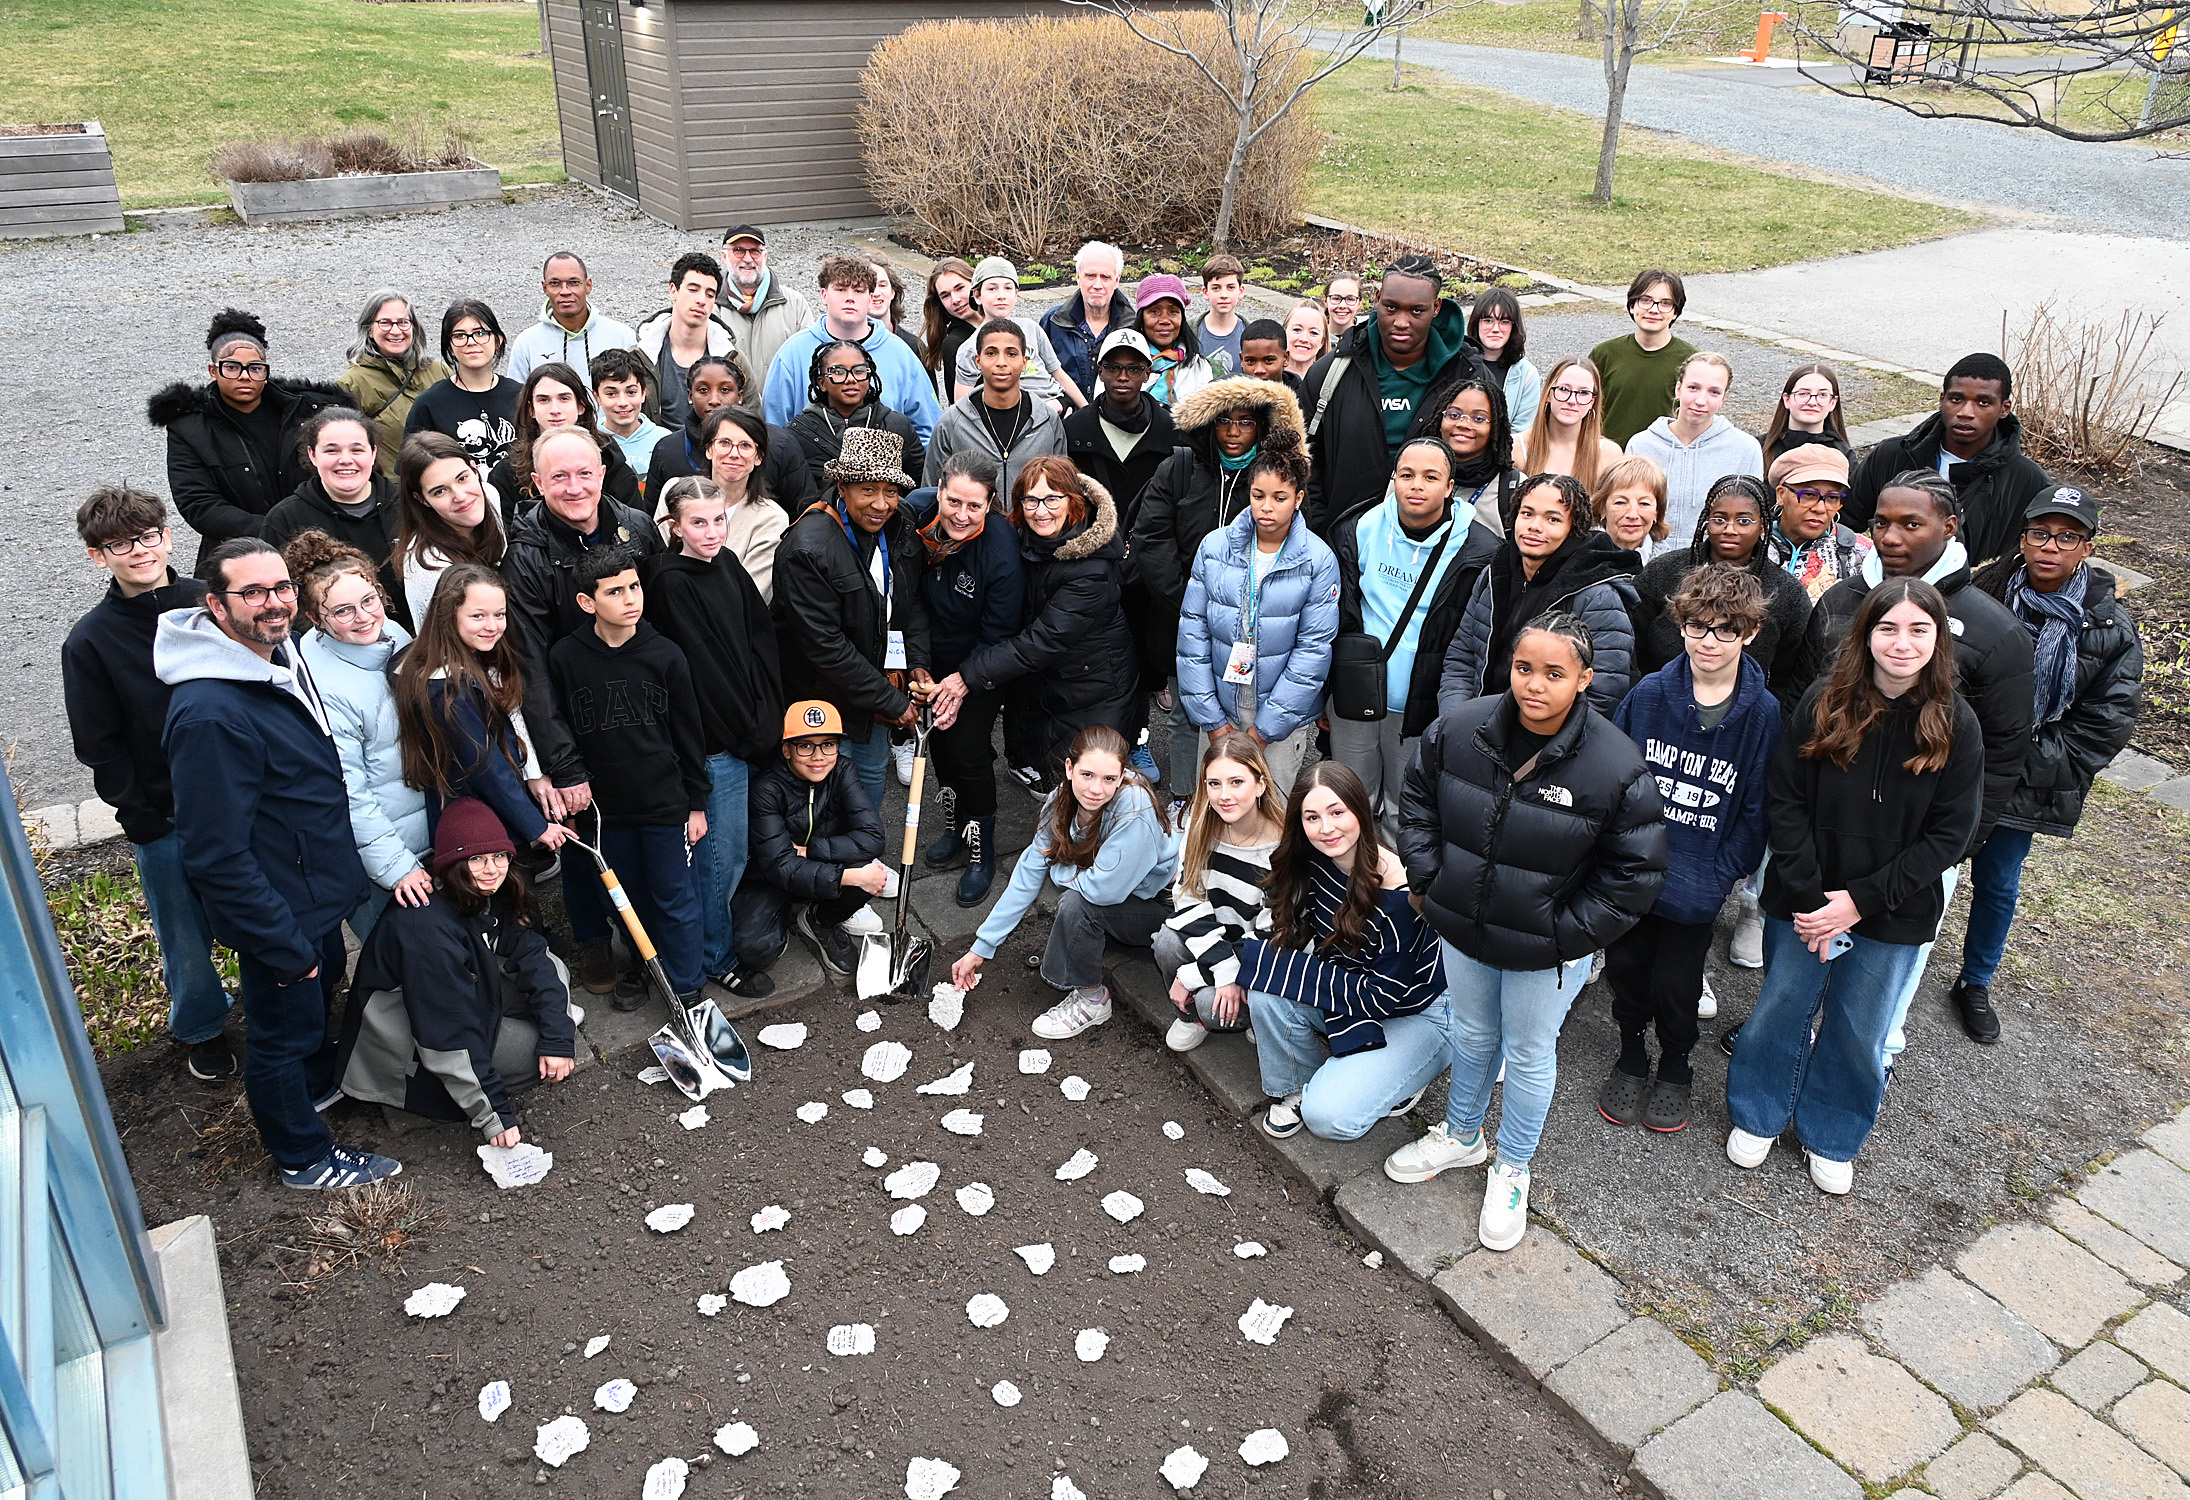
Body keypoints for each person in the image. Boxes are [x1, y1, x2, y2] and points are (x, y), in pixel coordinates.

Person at [1388, 612, 1665, 1248]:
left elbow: (1636, 873)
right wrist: (1430, 881)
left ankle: (1513, 1165)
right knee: (1472, 1029)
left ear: (1586, 679)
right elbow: (1419, 798)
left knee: (1530, 1051)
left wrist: (1569, 935)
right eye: (1523, 668)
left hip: (1546, 950)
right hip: (1461, 925)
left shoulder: (1614, 766)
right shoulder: (1459, 731)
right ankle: (1461, 1136)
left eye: (1554, 673)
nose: (1534, 685)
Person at [1726, 579, 1983, 1194]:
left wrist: (1859, 903)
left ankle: (1833, 1132)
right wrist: (1816, 898)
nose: (1902, 643)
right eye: (1887, 628)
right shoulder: (1823, 701)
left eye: (1919, 630)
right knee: (1780, 1008)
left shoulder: (1956, 724)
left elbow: (1950, 836)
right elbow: (1784, 800)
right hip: (1806, 900)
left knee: (1859, 1026)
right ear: (1865, 634)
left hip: (1891, 909)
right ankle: (1758, 1112)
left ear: (1938, 640)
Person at [156, 537, 398, 1189]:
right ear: (215, 604)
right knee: (279, 1034)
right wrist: (281, 942)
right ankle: (303, 1156)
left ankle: (317, 1094)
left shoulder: (274, 654)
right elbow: (215, 852)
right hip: (281, 910)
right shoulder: (211, 712)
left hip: (314, 890)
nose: (273, 603)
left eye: (282, 588)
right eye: (253, 593)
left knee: (312, 1013)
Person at [1778, 469, 2033, 1063]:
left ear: (1949, 527)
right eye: (1882, 524)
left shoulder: (1995, 632)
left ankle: (1873, 1046)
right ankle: (1792, 1031)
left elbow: (2002, 751)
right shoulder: (1843, 602)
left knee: (1881, 975)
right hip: (1825, 825)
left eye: (1911, 525)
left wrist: (1957, 845)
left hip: (1917, 846)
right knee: (1807, 943)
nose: (1892, 538)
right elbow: (1800, 703)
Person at [1957, 486, 2143, 1041]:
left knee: (1998, 881)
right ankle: (1898, 959)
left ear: (2086, 548)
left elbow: (2104, 723)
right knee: (1928, 869)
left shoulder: (2107, 627)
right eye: (2041, 533)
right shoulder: (1982, 592)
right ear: (2023, 537)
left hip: (2024, 776)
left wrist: (2017, 756)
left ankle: (1975, 981)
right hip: (1958, 759)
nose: (2050, 548)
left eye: (2067, 537)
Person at [63, 487, 236, 1080]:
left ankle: (275, 999)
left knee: (260, 906)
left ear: (166, 536)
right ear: (97, 557)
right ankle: (202, 1026)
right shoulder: (90, 642)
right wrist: (141, 815)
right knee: (182, 931)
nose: (137, 552)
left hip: (238, 794)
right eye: (118, 544)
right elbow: (99, 742)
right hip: (164, 813)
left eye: (146, 537)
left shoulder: (209, 603)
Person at [1604, 565, 1780, 1132]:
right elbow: (1616, 778)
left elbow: (1757, 808)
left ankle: (1677, 1062)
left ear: (1750, 632)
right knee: (1627, 971)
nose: (1710, 641)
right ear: (1680, 625)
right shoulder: (1651, 693)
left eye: (1727, 629)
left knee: (1677, 985)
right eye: (1699, 626)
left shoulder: (1762, 713)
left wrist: (1721, 873)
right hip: (1634, 872)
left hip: (1698, 882)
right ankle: (1631, 1053)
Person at [336, 798, 577, 1142]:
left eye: (498, 856)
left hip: (459, 1000)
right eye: (476, 859)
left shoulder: (486, 891)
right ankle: (458, 1089)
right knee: (534, 1056)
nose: (491, 869)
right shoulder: (427, 929)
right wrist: (494, 1117)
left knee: (553, 998)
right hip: (409, 1051)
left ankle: (542, 1031)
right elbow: (448, 1034)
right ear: (450, 864)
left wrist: (559, 1035)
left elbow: (535, 959)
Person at [1236, 760, 1448, 1140]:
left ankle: (1408, 1072)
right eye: (1312, 817)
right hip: (1352, 987)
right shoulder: (1316, 860)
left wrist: (1267, 965)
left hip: (1414, 1010)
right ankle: (1298, 1085)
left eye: (1337, 812)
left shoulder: (1401, 894)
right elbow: (1291, 932)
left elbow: (1383, 997)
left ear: (1361, 812)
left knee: (1330, 1119)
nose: (1327, 828)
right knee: (1265, 987)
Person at [548, 546, 710, 1012]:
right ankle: (644, 967)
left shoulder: (665, 655)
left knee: (675, 897)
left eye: (634, 587)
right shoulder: (565, 658)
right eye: (614, 592)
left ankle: (685, 983)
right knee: (626, 899)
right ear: (587, 602)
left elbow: (689, 734)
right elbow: (560, 732)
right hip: (605, 812)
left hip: (665, 805)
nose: (629, 599)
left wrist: (696, 804)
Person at [643, 478, 784, 995]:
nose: (711, 531)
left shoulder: (726, 564)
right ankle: (713, 958)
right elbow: (701, 674)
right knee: (717, 862)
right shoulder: (670, 582)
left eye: (719, 519)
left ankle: (715, 946)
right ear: (674, 526)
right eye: (698, 522)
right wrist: (747, 731)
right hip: (713, 747)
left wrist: (765, 716)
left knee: (735, 855)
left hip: (748, 734)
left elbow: (757, 641)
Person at [1134, 377, 1304, 791]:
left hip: (1253, 626)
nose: (1233, 431)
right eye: (1224, 420)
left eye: (1245, 422)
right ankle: (1185, 795)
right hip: (1184, 615)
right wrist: (1189, 600)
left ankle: (1243, 798)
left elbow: (1292, 544)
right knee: (1186, 711)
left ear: (1260, 428)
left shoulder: (1272, 478)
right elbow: (1150, 537)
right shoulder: (1180, 466)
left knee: (1243, 710)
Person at [952, 725, 1176, 1040]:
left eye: (1109, 779)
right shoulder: (1062, 798)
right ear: (1070, 769)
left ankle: (1093, 1000)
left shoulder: (1135, 808)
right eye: (1087, 775)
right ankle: (1098, 945)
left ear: (1123, 775)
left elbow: (1103, 890)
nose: (1096, 789)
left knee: (1076, 906)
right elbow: (1028, 871)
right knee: (1076, 906)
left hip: (1163, 908)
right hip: (1130, 898)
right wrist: (982, 947)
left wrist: (1057, 872)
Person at [390, 562, 571, 949]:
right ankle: (528, 967)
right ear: (447, 613)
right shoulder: (446, 685)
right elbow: (484, 763)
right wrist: (536, 827)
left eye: (499, 614)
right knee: (507, 903)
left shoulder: (428, 663)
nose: (492, 625)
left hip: (469, 809)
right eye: (478, 615)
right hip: (480, 817)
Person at [1328, 436, 1499, 838]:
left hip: (1421, 706)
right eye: (1407, 475)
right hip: (1356, 697)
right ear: (1394, 480)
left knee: (1404, 809)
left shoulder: (1480, 549)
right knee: (1349, 801)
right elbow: (1338, 618)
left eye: (1430, 476)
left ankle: (1394, 892)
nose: (1416, 485)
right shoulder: (1359, 528)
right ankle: (1347, 887)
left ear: (1450, 487)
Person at [500, 427, 665, 820]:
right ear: (538, 484)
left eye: (584, 474)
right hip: (582, 724)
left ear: (602, 474)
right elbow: (531, 668)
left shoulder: (638, 529)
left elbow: (666, 631)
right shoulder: (526, 557)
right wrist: (566, 765)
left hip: (648, 718)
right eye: (559, 477)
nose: (574, 488)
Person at [774, 428, 935, 811]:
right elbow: (824, 646)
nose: (881, 505)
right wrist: (891, 702)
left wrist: (918, 664)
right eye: (868, 490)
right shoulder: (807, 549)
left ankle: (865, 860)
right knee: (824, 797)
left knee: (870, 783)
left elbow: (910, 604)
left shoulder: (903, 523)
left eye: (891, 492)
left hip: (875, 693)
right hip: (823, 696)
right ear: (842, 487)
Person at [954, 458, 1142, 779]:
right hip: (1048, 684)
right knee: (1046, 775)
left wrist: (970, 674)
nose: (1041, 510)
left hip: (1093, 690)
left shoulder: (1091, 568)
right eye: (1031, 499)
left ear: (1074, 501)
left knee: (1085, 785)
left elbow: (1044, 640)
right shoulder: (1023, 540)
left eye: (1053, 498)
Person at [1177, 427, 1340, 793]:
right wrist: (1213, 721)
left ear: (1298, 498)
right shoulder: (1215, 547)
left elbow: (1313, 651)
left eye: (1280, 497)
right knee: (1219, 803)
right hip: (1221, 703)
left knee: (1273, 810)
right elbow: (1192, 635)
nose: (1267, 507)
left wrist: (1263, 732)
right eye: (1258, 495)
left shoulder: (1318, 559)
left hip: (1281, 719)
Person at [285, 531, 429, 939]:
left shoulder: (394, 634)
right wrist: (395, 866)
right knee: (399, 963)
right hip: (383, 856)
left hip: (423, 828)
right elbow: (350, 791)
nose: (364, 617)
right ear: (315, 619)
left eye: (369, 601)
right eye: (343, 611)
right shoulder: (326, 689)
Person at [1299, 253, 1484, 536]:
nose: (1401, 321)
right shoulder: (1330, 373)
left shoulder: (1468, 377)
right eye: (1391, 307)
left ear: (1436, 308)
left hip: (1432, 548)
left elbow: (1486, 461)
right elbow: (1305, 459)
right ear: (1377, 298)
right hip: (1341, 543)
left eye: (1416, 311)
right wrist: (1323, 529)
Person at [148, 309, 346, 572]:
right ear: (213, 370)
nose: (244, 376)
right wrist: (272, 528)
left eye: (254, 368)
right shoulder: (189, 428)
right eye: (231, 367)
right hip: (235, 557)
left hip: (314, 547)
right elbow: (199, 504)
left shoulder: (306, 411)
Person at [912, 456, 1026, 907]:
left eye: (974, 506)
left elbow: (1000, 632)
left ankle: (983, 848)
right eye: (953, 501)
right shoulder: (917, 517)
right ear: (938, 491)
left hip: (984, 660)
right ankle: (955, 824)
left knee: (968, 750)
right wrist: (921, 664)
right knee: (937, 742)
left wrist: (962, 684)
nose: (961, 514)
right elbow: (912, 599)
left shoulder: (1001, 550)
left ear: (991, 504)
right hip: (934, 655)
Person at [1439, 474, 1642, 717]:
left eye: (1553, 519)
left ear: (1574, 529)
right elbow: (1461, 659)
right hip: (1477, 726)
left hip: (1545, 741)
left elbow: (1602, 695)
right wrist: (1457, 720)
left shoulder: (1597, 596)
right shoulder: (1493, 575)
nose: (1535, 526)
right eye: (1527, 514)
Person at [731, 701, 889, 984]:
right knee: (755, 951)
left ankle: (820, 919)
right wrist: (846, 876)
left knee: (872, 871)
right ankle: (791, 908)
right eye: (805, 746)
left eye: (828, 744)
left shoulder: (843, 770)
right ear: (786, 749)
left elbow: (873, 837)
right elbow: (779, 865)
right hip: (772, 879)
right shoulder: (766, 789)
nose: (819, 756)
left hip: (815, 861)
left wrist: (811, 850)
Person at [1845, 354, 2052, 568]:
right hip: (1890, 590)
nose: (1965, 412)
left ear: (2004, 408)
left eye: (1983, 402)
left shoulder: (2028, 482)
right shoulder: (1892, 455)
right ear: (1942, 399)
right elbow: (1846, 521)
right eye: (1956, 399)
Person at [1157, 730, 1283, 1052]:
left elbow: (1273, 937)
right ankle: (1190, 1018)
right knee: (1166, 942)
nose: (1224, 795)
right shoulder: (1202, 830)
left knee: (1208, 1000)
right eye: (1214, 784)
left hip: (1260, 958)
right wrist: (1221, 966)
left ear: (1261, 785)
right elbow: (1187, 899)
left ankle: (1256, 1015)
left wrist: (1199, 974)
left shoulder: (1282, 850)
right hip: (1218, 945)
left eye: (1236, 782)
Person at [1636, 474, 1812, 704]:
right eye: (1719, 519)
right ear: (1706, 521)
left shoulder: (1787, 593)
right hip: (1656, 704)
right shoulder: (1663, 572)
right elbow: (1632, 648)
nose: (1730, 529)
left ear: (1763, 526)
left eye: (1744, 521)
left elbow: (1793, 677)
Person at [762, 256, 943, 444]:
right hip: (809, 470)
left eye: (858, 290)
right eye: (840, 289)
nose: (849, 297)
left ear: (871, 298)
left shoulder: (901, 354)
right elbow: (774, 430)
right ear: (824, 295)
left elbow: (929, 430)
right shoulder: (792, 353)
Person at [261, 408, 408, 627]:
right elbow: (279, 598)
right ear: (312, 454)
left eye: (357, 450)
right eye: (332, 450)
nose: (346, 460)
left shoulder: (408, 506)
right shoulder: (285, 519)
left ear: (373, 452)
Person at [643, 351, 817, 513]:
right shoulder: (668, 450)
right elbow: (655, 522)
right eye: (703, 390)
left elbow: (804, 513)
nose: (714, 400)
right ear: (690, 396)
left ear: (740, 396)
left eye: (725, 390)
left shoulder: (778, 443)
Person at [483, 362, 644, 531]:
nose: (555, 409)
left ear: (580, 406)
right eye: (544, 400)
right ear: (531, 409)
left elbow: (636, 531)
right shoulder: (507, 474)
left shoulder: (612, 464)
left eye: (564, 398)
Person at [1624, 352, 1764, 541]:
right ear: (1678, 389)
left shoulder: (1745, 449)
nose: (1700, 400)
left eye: (1714, 392)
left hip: (1710, 564)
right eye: (1693, 388)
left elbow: (1749, 517)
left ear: (1724, 398)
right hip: (1649, 561)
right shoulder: (1642, 444)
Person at [927, 318, 1069, 501]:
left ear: (1024, 362)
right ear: (978, 361)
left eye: (1011, 354)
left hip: (1032, 527)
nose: (1001, 362)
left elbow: (1061, 491)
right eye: (991, 353)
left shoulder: (1047, 421)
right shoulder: (951, 424)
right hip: (971, 527)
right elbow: (932, 492)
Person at [665, 408, 789, 601]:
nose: (734, 454)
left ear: (759, 456)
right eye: (724, 443)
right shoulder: (675, 491)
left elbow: (751, 595)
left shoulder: (771, 518)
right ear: (708, 449)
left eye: (746, 446)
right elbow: (659, 559)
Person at [1062, 329, 1179, 519]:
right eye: (1113, 367)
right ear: (1100, 372)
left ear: (1147, 373)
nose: (1123, 377)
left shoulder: (1170, 430)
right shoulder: (1075, 430)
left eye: (1133, 369)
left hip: (1153, 538)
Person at [790, 339, 927, 494]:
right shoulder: (798, 433)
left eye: (859, 371)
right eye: (838, 372)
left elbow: (920, 486)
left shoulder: (897, 426)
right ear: (822, 383)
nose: (851, 379)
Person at [336, 291, 449, 477]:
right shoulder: (352, 383)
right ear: (369, 329)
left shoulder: (440, 371)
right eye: (385, 323)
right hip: (392, 492)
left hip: (445, 484)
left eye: (403, 322)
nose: (396, 331)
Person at [395, 432, 506, 614]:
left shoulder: (489, 496)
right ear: (421, 499)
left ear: (474, 469)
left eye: (462, 478)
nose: (461, 497)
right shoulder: (429, 567)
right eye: (440, 491)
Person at [404, 299, 521, 471]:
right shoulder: (430, 403)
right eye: (459, 335)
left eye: (480, 333)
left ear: (498, 340)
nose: (471, 341)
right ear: (450, 347)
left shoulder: (522, 395)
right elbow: (411, 468)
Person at [949, 258, 1081, 410]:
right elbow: (962, 404)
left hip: (1057, 403)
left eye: (1008, 288)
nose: (1001, 295)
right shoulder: (971, 348)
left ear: (1016, 294)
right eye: (992, 289)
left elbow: (1058, 374)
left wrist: (1086, 410)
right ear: (977, 296)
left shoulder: (1032, 328)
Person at [1589, 268, 1698, 447]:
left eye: (1665, 303)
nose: (1654, 310)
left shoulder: (1691, 360)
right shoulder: (1605, 354)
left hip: (1664, 456)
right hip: (1609, 457)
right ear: (1632, 305)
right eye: (1645, 300)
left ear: (1676, 312)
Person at [635, 252, 739, 435]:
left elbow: (753, 416)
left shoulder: (733, 359)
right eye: (693, 289)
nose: (701, 300)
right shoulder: (641, 357)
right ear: (673, 291)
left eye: (710, 294)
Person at [1409, 369, 1523, 528]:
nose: (1463, 424)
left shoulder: (1512, 488)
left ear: (1496, 427)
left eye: (1478, 419)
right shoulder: (1409, 472)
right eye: (1454, 415)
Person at [507, 251, 636, 381]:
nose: (565, 291)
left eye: (573, 282)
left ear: (588, 286)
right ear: (545, 288)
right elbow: (517, 398)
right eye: (555, 283)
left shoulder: (622, 337)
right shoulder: (526, 343)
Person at [1767, 443, 1872, 602]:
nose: (1821, 508)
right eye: (1809, 495)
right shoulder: (1753, 547)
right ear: (1781, 495)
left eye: (1832, 498)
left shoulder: (1861, 552)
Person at [716, 225, 813, 381]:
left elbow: (808, 362)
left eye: (755, 251)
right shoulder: (711, 306)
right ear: (724, 256)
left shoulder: (795, 303)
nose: (748, 259)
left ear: (765, 257)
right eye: (738, 250)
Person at [1514, 356, 1624, 492]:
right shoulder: (1517, 448)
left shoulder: (1609, 454)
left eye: (1583, 392)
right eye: (1564, 389)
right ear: (1548, 394)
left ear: (1592, 401)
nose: (1572, 400)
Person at [1041, 241, 1135, 399]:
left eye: (1105, 277)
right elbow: (1038, 375)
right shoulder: (1053, 322)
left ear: (1117, 280)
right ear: (1078, 277)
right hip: (1067, 416)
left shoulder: (1133, 325)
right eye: (1090, 276)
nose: (1097, 285)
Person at [1131, 274, 1221, 408]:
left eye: (1173, 312)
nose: (1165, 320)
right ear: (1141, 318)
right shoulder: (1122, 364)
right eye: (1155, 312)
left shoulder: (1199, 368)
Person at [1467, 289, 1541, 448]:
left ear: (1514, 327)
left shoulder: (1527, 375)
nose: (1495, 328)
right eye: (1488, 320)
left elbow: (1521, 434)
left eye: (1504, 321)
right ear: (1476, 323)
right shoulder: (1459, 364)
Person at [589, 347, 672, 480]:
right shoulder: (588, 440)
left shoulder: (665, 441)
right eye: (611, 394)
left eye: (631, 392)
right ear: (597, 397)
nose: (623, 402)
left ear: (643, 393)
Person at [1760, 362, 1853, 462]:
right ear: (1786, 399)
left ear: (1833, 403)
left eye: (1822, 394)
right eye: (1803, 393)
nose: (1812, 402)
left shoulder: (1843, 456)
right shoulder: (1758, 448)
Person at [1593, 454, 1672, 563]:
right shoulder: (1578, 557)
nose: (1632, 515)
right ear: (1602, 508)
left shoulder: (1669, 564)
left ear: (1657, 512)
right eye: (1620, 502)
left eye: (1644, 503)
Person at [921, 257, 981, 401]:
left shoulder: (1000, 321)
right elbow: (959, 405)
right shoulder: (955, 344)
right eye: (945, 295)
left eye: (959, 288)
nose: (955, 300)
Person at [870, 258, 927, 370]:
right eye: (869, 286)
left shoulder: (913, 346)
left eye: (882, 285)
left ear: (892, 292)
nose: (876, 293)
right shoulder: (845, 346)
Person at [1196, 255, 1248, 377]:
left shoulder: (1249, 333)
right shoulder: (1192, 331)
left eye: (1230, 287)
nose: (1223, 295)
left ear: (1241, 291)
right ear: (1205, 292)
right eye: (1216, 288)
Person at [1282, 299, 1329, 387]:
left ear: (1322, 342)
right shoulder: (1266, 379)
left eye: (1313, 332)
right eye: (1297, 330)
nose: (1304, 339)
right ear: (1284, 332)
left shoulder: (1330, 383)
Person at [1321, 273, 1363, 338]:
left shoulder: (1367, 338)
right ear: (1326, 300)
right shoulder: (1315, 337)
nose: (1342, 305)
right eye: (1336, 298)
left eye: (1350, 299)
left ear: (1359, 303)